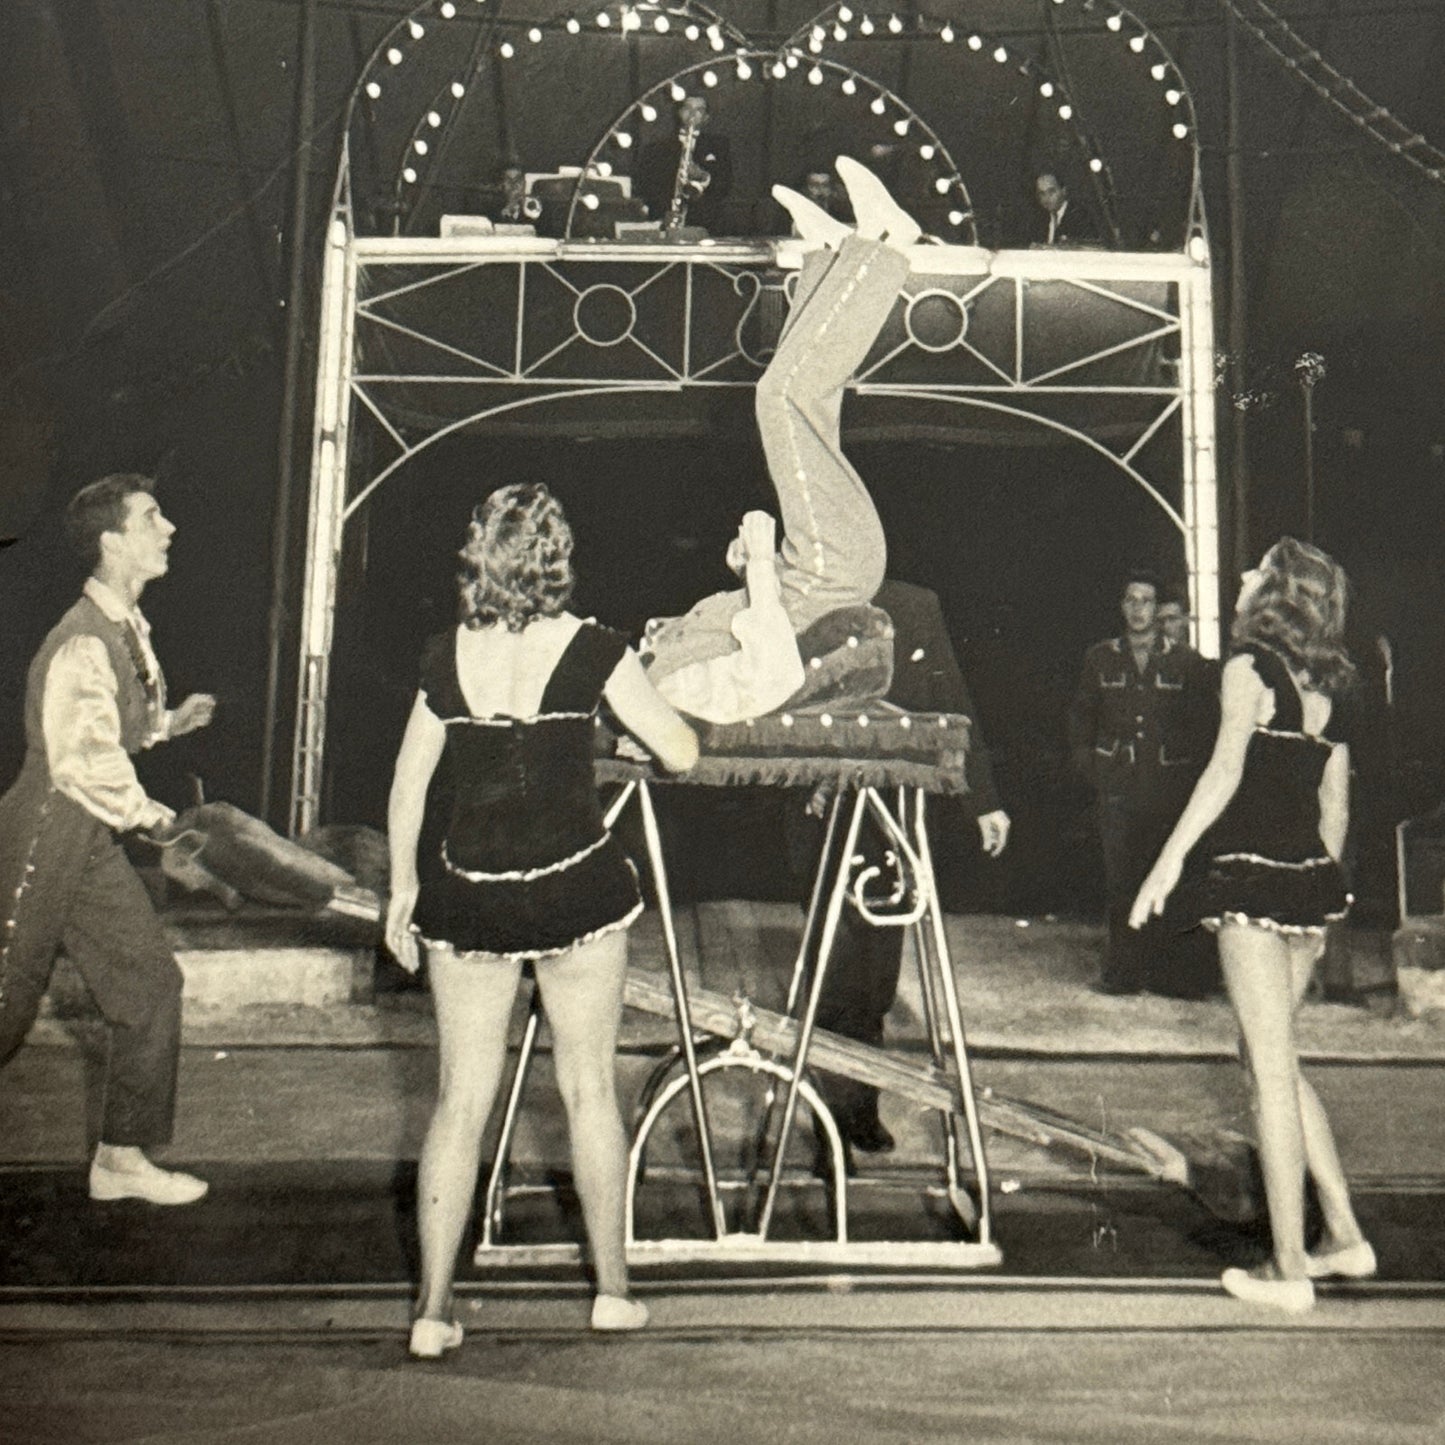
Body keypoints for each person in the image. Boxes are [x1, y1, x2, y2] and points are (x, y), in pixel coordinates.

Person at [384, 482, 698, 1358]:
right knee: (588, 1089)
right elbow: (680, 748)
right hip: (575, 888)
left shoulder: (444, 655)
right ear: (557, 560)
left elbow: (410, 782)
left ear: (478, 556)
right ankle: (610, 1293)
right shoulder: (593, 647)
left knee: (458, 1102)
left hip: (468, 891)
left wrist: (402, 889)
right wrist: (619, 738)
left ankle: (434, 1312)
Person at [1131, 539, 1375, 1312]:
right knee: (1276, 1058)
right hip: (1309, 883)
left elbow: (1223, 770)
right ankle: (1342, 1234)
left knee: (1266, 1074)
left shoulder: (1247, 671)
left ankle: (1288, 1268)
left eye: (1256, 568)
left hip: (1248, 884)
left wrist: (1166, 863)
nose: (1240, 578)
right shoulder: (1331, 684)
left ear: (1275, 593)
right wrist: (1318, 898)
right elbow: (1333, 808)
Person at [642, 155, 922, 723]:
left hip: (814, 568)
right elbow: (769, 668)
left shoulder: (654, 664)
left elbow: (755, 622)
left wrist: (750, 572)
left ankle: (831, 258)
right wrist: (762, 567)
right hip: (831, 572)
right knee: (784, 399)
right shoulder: (667, 691)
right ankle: (889, 242)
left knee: (806, 397)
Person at [0, 475, 216, 1206]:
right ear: (111, 540)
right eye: (152, 517)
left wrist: (166, 724)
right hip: (42, 834)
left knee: (149, 985)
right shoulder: (81, 640)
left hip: (86, 838)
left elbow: (110, 723)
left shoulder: (122, 625)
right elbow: (78, 759)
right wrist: (154, 817)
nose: (170, 528)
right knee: (5, 1006)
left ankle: (121, 1157)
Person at [795, 579, 1010, 1154]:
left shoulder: (915, 606)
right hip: (822, 814)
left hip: (892, 818)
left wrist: (983, 800)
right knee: (833, 975)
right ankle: (828, 1115)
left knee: (876, 979)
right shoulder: (806, 597)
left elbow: (954, 705)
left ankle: (858, 1107)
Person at [1067, 569, 1217, 995]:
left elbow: (1203, 725)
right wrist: (1091, 768)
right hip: (1118, 788)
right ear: (1121, 606)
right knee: (1121, 881)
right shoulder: (1100, 658)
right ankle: (1124, 974)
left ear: (1158, 609)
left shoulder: (1185, 662)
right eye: (1130, 600)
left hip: (1169, 789)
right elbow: (1081, 718)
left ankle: (1174, 976)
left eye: (1146, 601)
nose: (1138, 609)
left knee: (1174, 876)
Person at [636, 95, 733, 234]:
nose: (692, 113)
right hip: (666, 220)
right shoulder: (656, 148)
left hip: (706, 223)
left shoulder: (719, 145)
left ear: (706, 118)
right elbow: (647, 186)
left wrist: (702, 176)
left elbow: (726, 184)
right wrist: (664, 213)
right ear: (679, 113)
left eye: (699, 110)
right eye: (688, 108)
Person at [1028, 169, 1103, 247]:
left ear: (1063, 191)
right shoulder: (1038, 220)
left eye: (1051, 191)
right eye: (1042, 193)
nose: (1046, 198)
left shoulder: (1081, 216)